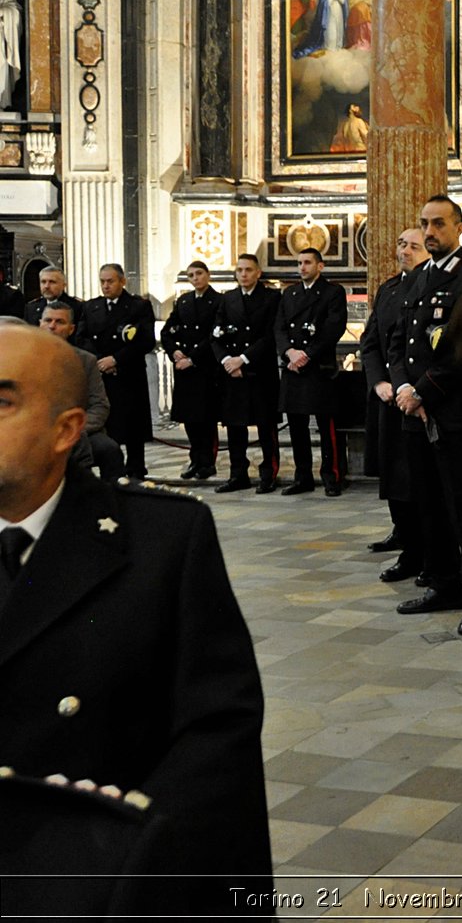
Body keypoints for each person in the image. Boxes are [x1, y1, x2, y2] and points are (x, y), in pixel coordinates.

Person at [0, 323, 271, 912]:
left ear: (66, 430)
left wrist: (121, 861)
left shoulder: (160, 542)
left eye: (2, 401)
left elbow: (217, 734)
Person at [387, 195, 462, 635]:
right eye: (424, 224)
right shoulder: (417, 278)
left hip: (453, 414)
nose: (430, 233)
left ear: (459, 228)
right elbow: (398, 340)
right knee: (428, 503)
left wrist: (425, 390)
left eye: (439, 224)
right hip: (416, 412)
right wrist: (404, 387)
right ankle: (443, 582)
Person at [360, 229, 426, 580]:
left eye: (414, 245)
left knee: (413, 477)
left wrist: (406, 388)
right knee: (392, 473)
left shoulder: (428, 286)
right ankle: (402, 530)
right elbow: (370, 343)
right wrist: (379, 383)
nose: (406, 250)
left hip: (417, 398)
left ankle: (418, 549)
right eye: (401, 243)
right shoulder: (388, 289)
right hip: (387, 397)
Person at [275, 247, 347, 497]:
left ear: (320, 266)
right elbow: (279, 328)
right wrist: (288, 352)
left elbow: (333, 328)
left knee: (326, 427)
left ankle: (332, 476)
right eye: (299, 263)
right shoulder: (290, 293)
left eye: (307, 262)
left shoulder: (332, 292)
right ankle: (302, 476)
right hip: (293, 368)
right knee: (296, 426)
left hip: (319, 368)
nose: (302, 267)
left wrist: (306, 354)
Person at [77, 264, 155, 482]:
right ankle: (111, 469)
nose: (105, 286)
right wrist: (99, 361)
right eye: (102, 281)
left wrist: (116, 359)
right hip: (101, 374)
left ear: (122, 281)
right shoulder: (91, 307)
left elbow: (144, 340)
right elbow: (82, 337)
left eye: (110, 281)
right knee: (108, 424)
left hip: (128, 374)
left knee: (133, 426)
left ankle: (136, 469)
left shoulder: (138, 306)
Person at [212, 254, 282, 494]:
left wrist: (242, 359)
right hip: (232, 373)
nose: (243, 274)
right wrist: (226, 361)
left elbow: (270, 335)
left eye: (248, 270)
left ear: (258, 273)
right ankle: (237, 474)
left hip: (259, 371)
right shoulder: (228, 299)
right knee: (235, 428)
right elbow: (217, 334)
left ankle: (268, 474)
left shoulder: (272, 298)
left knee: (266, 427)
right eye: (239, 270)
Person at [35, 303, 123, 481]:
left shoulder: (86, 361)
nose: (52, 326)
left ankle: (111, 503)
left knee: (109, 449)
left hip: (80, 429)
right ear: (39, 324)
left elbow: (99, 405)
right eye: (48, 321)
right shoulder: (23, 360)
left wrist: (75, 430)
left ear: (71, 329)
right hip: (37, 431)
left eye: (59, 322)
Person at [160, 261, 222, 480]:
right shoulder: (184, 301)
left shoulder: (218, 301)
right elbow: (168, 331)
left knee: (206, 418)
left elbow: (214, 335)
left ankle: (207, 462)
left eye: (199, 273)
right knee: (189, 417)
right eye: (190, 275)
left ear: (207, 275)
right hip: (183, 367)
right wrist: (174, 351)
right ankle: (195, 459)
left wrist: (193, 358)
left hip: (204, 368)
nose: (195, 278)